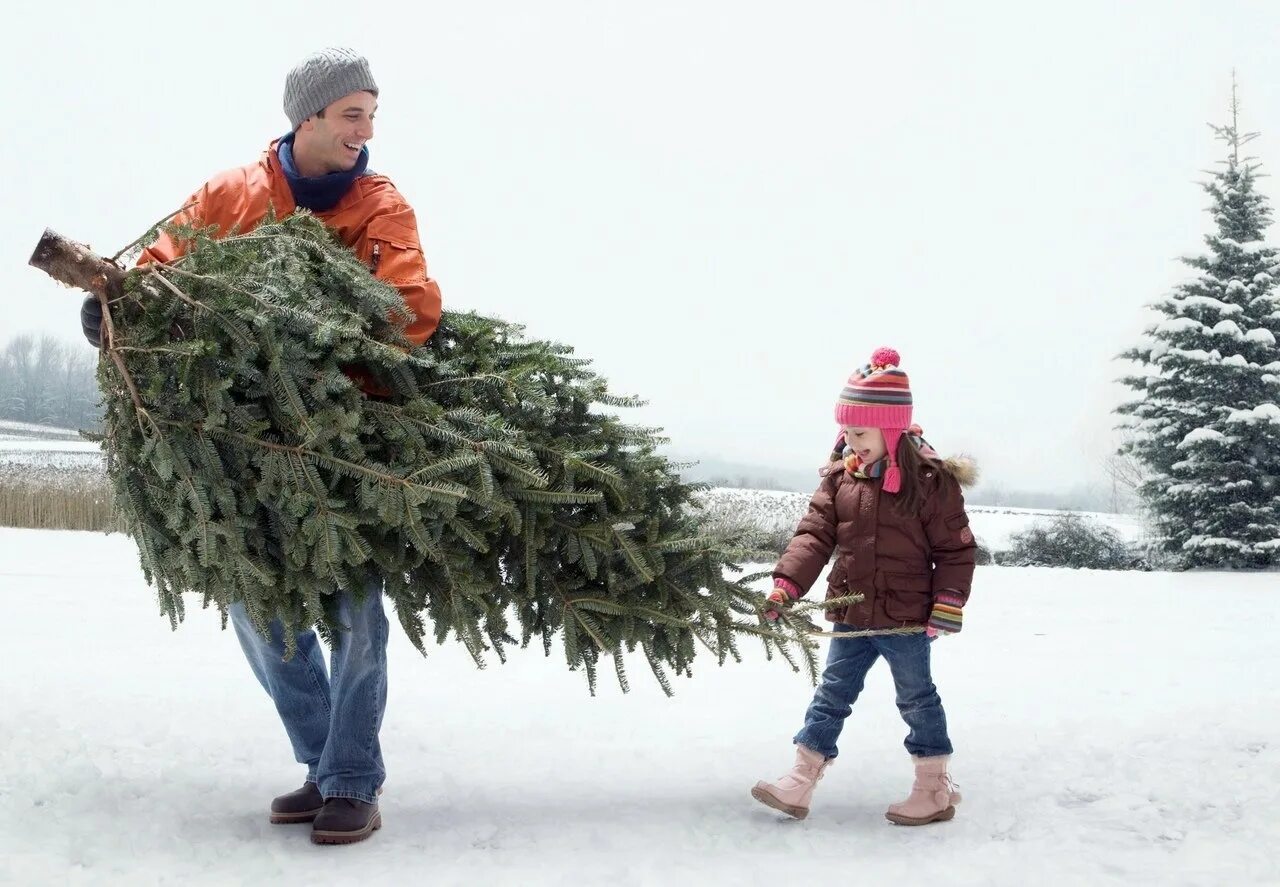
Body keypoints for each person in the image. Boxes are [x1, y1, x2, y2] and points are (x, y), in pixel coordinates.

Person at [80, 47, 442, 845]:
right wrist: (116, 312)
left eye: (372, 117)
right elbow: (157, 272)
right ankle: (322, 764)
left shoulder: (380, 204)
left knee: (354, 609)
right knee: (254, 602)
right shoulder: (232, 194)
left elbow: (409, 308)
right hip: (240, 446)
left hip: (345, 439)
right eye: (352, 114)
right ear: (306, 116)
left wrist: (313, 352)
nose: (366, 131)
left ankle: (353, 778)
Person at [751, 347, 976, 825]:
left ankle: (934, 787)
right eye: (846, 432)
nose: (851, 442)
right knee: (831, 692)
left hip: (906, 618)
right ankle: (800, 780)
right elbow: (813, 537)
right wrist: (786, 585)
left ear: (891, 427)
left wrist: (948, 602)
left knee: (917, 698)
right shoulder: (840, 479)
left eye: (860, 432)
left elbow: (955, 550)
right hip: (852, 609)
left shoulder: (931, 482)